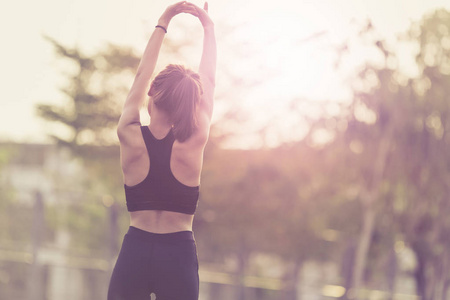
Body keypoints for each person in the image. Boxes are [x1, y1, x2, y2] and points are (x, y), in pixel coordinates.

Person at [108, 1, 216, 299]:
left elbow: (141, 75)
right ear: (190, 103)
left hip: (136, 252)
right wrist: (208, 27)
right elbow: (208, 81)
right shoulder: (194, 140)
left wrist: (164, 20)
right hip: (177, 255)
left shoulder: (128, 133)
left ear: (151, 93)